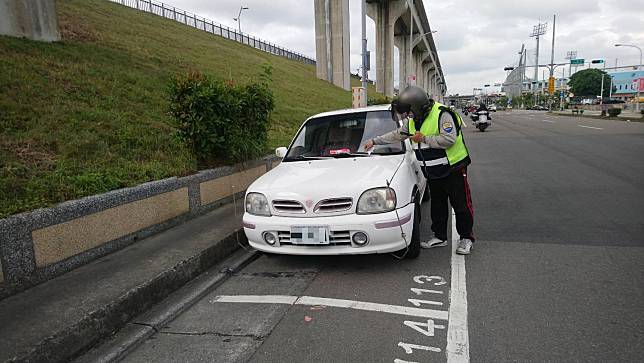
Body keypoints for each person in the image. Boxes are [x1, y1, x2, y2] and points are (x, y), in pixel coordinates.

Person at [364, 86, 476, 255]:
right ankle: (439, 236)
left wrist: (423, 138)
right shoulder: (414, 119)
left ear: (416, 106)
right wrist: (375, 141)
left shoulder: (442, 114)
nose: (408, 116)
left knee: (461, 205)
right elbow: (398, 134)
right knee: (437, 205)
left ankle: (466, 238)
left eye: (409, 112)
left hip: (454, 168)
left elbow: (449, 139)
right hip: (433, 171)